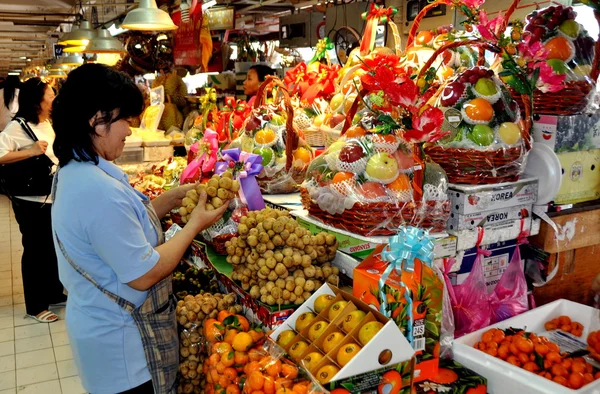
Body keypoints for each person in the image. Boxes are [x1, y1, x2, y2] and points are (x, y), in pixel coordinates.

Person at [51, 64, 228, 394]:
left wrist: (170, 199)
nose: (130, 131)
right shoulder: (96, 191)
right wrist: (194, 225)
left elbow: (117, 231)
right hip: (123, 351)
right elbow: (144, 273)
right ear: (97, 121)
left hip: (98, 325)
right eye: (125, 120)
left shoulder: (78, 171)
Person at [0, 78, 66, 323]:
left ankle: (52, 292)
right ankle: (35, 306)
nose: (53, 99)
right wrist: (30, 151)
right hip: (28, 198)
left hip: (50, 195)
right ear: (37, 101)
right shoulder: (17, 127)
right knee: (35, 250)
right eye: (50, 95)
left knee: (50, 246)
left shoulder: (47, 123)